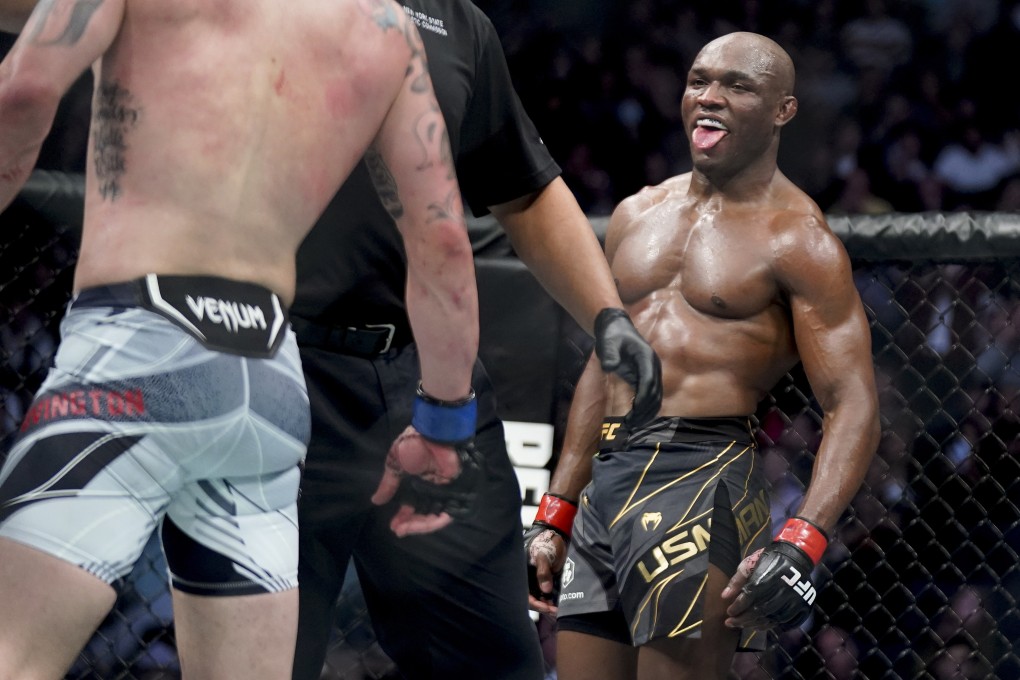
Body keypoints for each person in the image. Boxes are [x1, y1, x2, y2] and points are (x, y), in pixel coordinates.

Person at [0, 0, 483, 677]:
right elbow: (442, 242)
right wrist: (441, 422)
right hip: (266, 386)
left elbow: (23, 90)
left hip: (140, 347)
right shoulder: (384, 30)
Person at [290, 1, 662, 678]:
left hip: (428, 380)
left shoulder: (456, 21)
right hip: (280, 367)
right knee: (261, 657)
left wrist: (608, 317)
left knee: (490, 662)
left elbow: (523, 188)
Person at [524, 32, 881, 680]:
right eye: (698, 81)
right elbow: (603, 365)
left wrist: (805, 537)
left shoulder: (798, 238)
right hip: (609, 477)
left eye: (737, 86)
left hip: (704, 473)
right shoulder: (636, 214)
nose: (709, 98)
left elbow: (851, 401)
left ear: (783, 110)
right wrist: (557, 509)